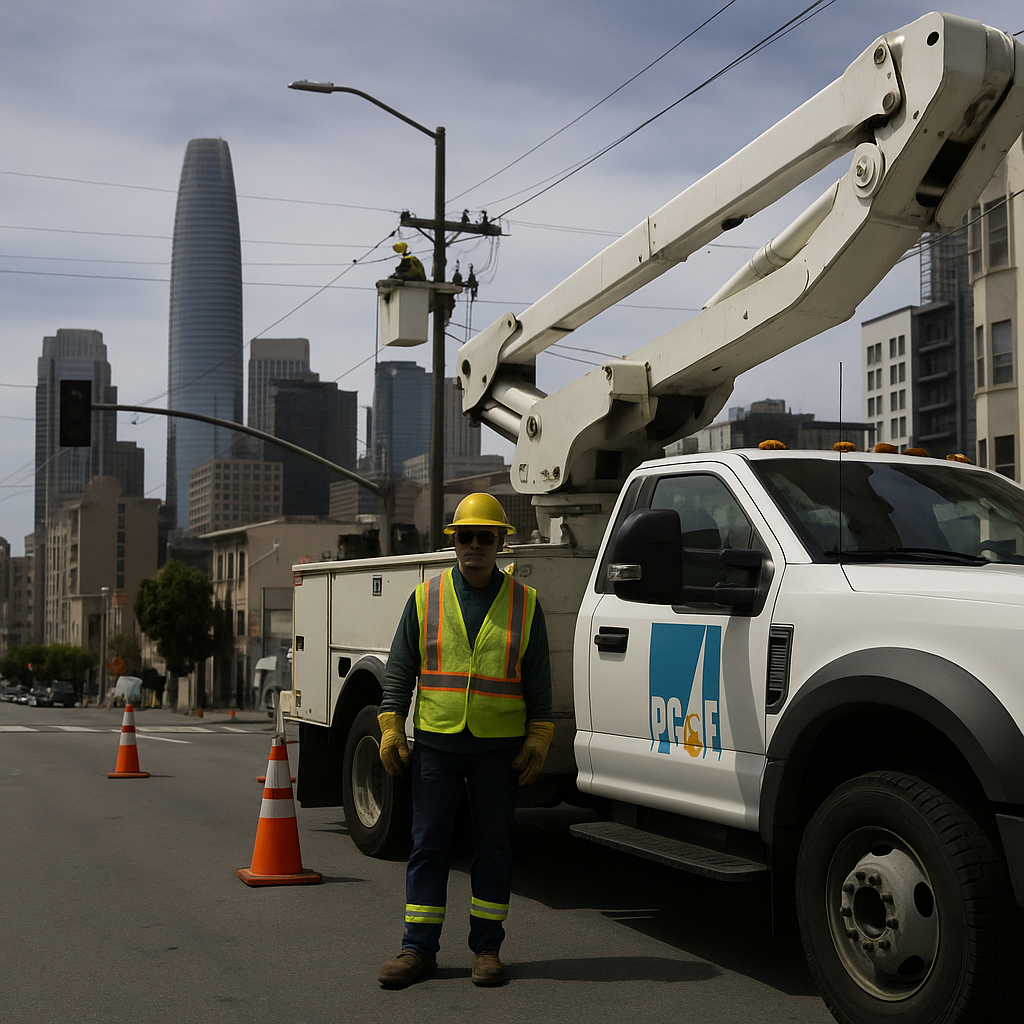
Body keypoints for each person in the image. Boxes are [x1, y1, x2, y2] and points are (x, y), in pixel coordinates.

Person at [376, 492, 553, 989]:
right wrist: (391, 724)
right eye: (466, 536)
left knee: (493, 847)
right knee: (427, 845)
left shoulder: (525, 602)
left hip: (499, 748)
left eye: (485, 537)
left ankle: (487, 950)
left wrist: (540, 734)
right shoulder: (424, 598)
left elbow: (538, 679)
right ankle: (417, 949)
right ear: (454, 542)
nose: (474, 545)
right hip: (437, 743)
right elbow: (399, 672)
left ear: (500, 542)